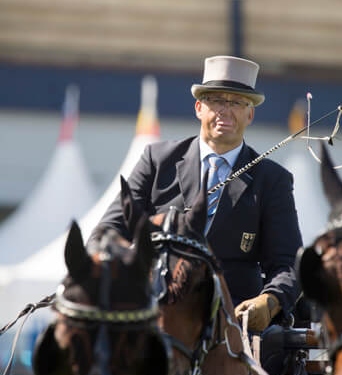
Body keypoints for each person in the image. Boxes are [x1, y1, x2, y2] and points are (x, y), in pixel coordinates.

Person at [89, 55, 302, 332]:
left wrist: (269, 301)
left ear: (250, 115)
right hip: (151, 314)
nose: (226, 110)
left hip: (230, 323)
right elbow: (106, 232)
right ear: (199, 108)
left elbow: (288, 263)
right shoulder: (157, 160)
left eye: (237, 103)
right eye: (217, 100)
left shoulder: (272, 179)